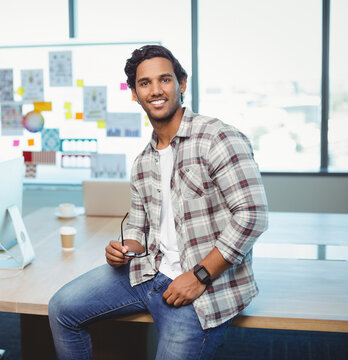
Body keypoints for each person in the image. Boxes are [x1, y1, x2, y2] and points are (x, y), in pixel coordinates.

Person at [48, 45, 268, 360]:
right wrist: (126, 248)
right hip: (149, 272)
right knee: (61, 309)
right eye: (145, 83)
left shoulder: (217, 138)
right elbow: (139, 226)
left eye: (164, 80)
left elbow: (252, 216)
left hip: (202, 286)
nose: (156, 90)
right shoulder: (142, 161)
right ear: (135, 94)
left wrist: (198, 276)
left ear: (182, 84)